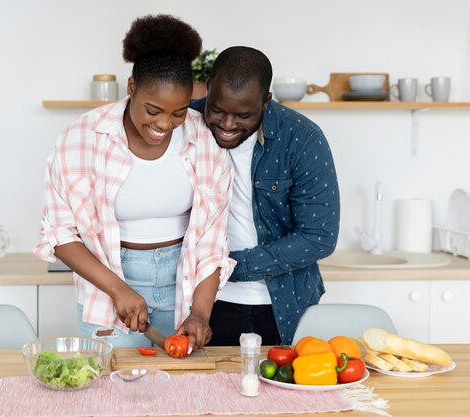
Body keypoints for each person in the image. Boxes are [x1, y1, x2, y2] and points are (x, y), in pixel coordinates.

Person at [35, 15, 234, 350]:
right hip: (107, 282)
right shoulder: (80, 137)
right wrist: (118, 289)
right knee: (109, 390)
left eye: (178, 113)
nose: (164, 124)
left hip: (182, 282)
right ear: (131, 88)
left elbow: (212, 241)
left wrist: (200, 312)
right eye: (153, 110)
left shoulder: (204, 139)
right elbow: (59, 234)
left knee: (179, 393)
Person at [190, 46, 340, 345]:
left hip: (284, 303)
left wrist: (229, 267)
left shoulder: (302, 138)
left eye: (243, 115)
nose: (228, 124)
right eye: (217, 110)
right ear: (208, 91)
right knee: (203, 390)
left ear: (266, 102)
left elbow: (319, 236)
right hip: (201, 304)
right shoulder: (186, 123)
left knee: (284, 389)